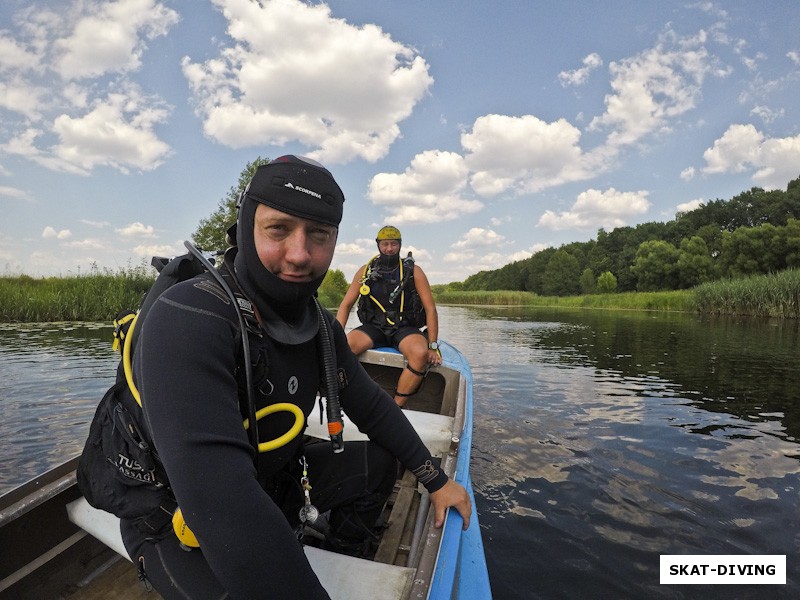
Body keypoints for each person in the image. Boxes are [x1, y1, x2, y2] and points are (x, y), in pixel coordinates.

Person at [121, 155, 471, 600]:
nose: (300, 254)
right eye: (278, 229)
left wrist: (437, 481)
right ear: (248, 226)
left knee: (381, 463)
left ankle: (344, 553)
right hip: (176, 516)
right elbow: (224, 505)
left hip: (274, 479)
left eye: (319, 234)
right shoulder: (191, 317)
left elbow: (373, 408)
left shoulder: (320, 327)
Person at [336, 226, 440, 406]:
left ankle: (395, 406)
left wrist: (433, 346)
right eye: (385, 244)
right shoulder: (365, 271)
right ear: (378, 245)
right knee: (342, 349)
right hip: (374, 327)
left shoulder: (414, 272)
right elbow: (346, 305)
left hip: (404, 328)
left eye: (393, 244)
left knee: (420, 354)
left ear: (400, 245)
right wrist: (335, 337)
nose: (389, 249)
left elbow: (430, 309)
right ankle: (352, 397)